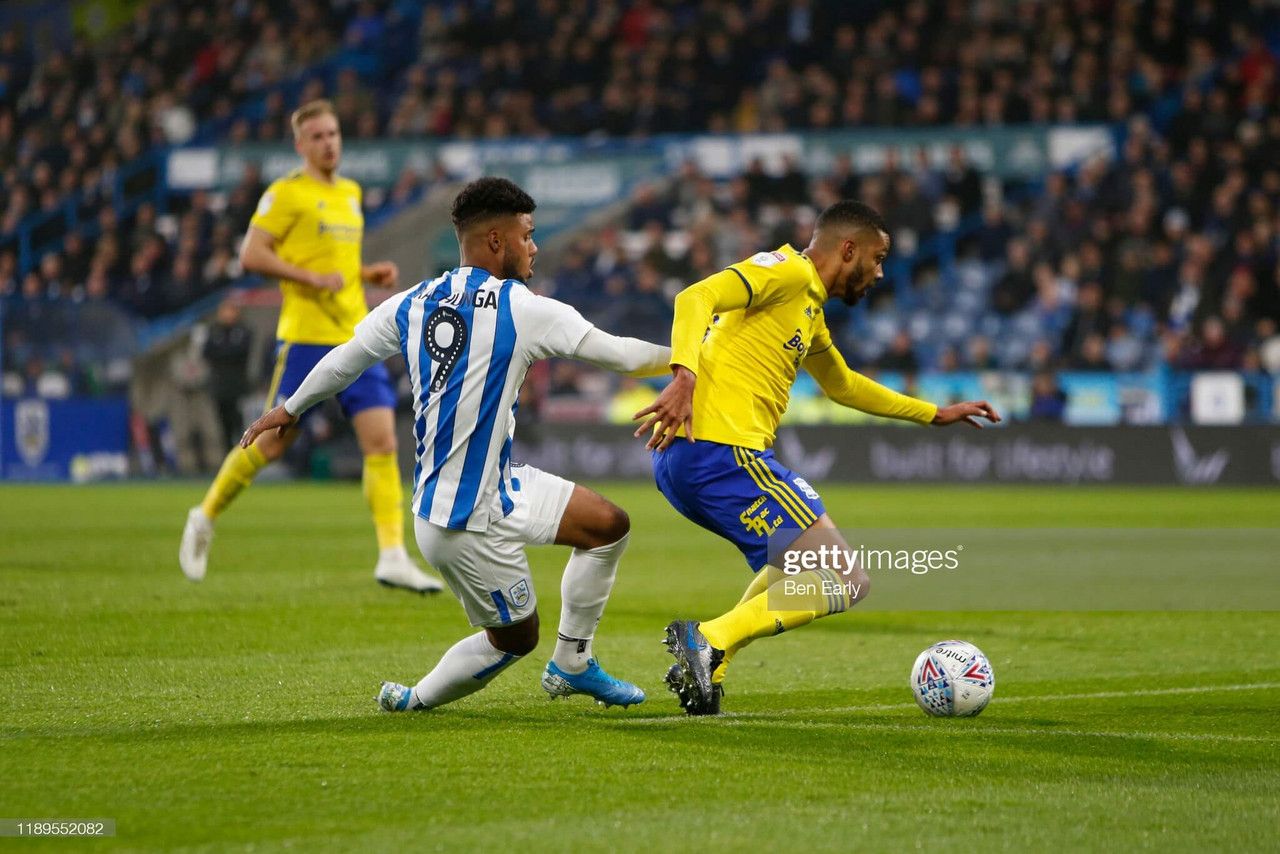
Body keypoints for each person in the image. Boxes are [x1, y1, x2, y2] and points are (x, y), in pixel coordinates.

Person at [241, 177, 671, 711]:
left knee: (608, 527)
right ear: (497, 241)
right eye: (527, 235)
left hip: (497, 487)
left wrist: (289, 408)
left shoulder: (412, 303)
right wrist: (695, 359)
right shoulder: (525, 308)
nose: (533, 247)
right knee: (517, 638)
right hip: (461, 523)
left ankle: (573, 663)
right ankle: (415, 699)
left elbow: (345, 358)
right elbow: (627, 356)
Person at [634, 200, 1001, 715]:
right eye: (876, 259)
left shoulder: (809, 310)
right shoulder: (784, 271)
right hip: (721, 451)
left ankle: (710, 664)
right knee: (846, 579)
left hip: (692, 459)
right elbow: (695, 296)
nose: (879, 273)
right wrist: (684, 377)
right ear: (847, 249)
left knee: (796, 562)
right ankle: (710, 639)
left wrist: (934, 414)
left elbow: (844, 386)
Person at [179, 99, 442, 593]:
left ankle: (392, 555)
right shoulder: (286, 194)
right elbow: (251, 253)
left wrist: (366, 273)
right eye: (317, 136)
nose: (328, 143)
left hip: (356, 335)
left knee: (383, 443)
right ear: (300, 145)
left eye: (334, 134)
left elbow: (337, 260)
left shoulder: (350, 192)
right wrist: (307, 277)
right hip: (306, 336)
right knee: (273, 444)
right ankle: (205, 515)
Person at [203, 298, 254, 450]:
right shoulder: (214, 330)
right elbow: (207, 352)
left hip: (237, 385)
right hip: (219, 386)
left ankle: (241, 453)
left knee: (238, 422)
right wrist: (225, 351)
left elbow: (239, 352)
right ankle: (227, 454)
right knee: (223, 423)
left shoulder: (244, 330)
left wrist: (221, 352)